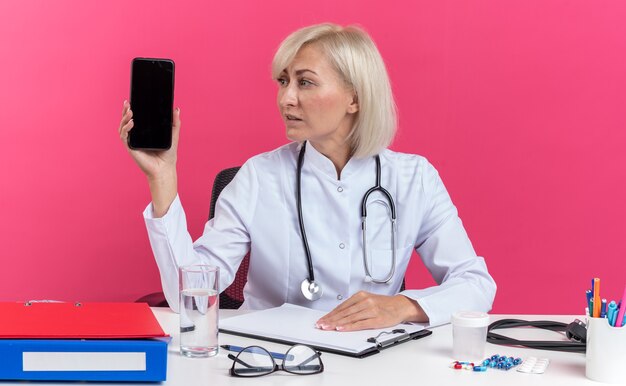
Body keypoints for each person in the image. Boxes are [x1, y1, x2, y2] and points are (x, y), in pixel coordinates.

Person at [118, 23, 496, 331]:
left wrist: (403, 306)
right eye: (284, 82)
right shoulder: (259, 177)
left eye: (305, 82)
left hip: (373, 363)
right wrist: (162, 178)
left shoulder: (414, 179)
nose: (286, 99)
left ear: (355, 98)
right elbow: (195, 298)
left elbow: (476, 284)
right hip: (268, 360)